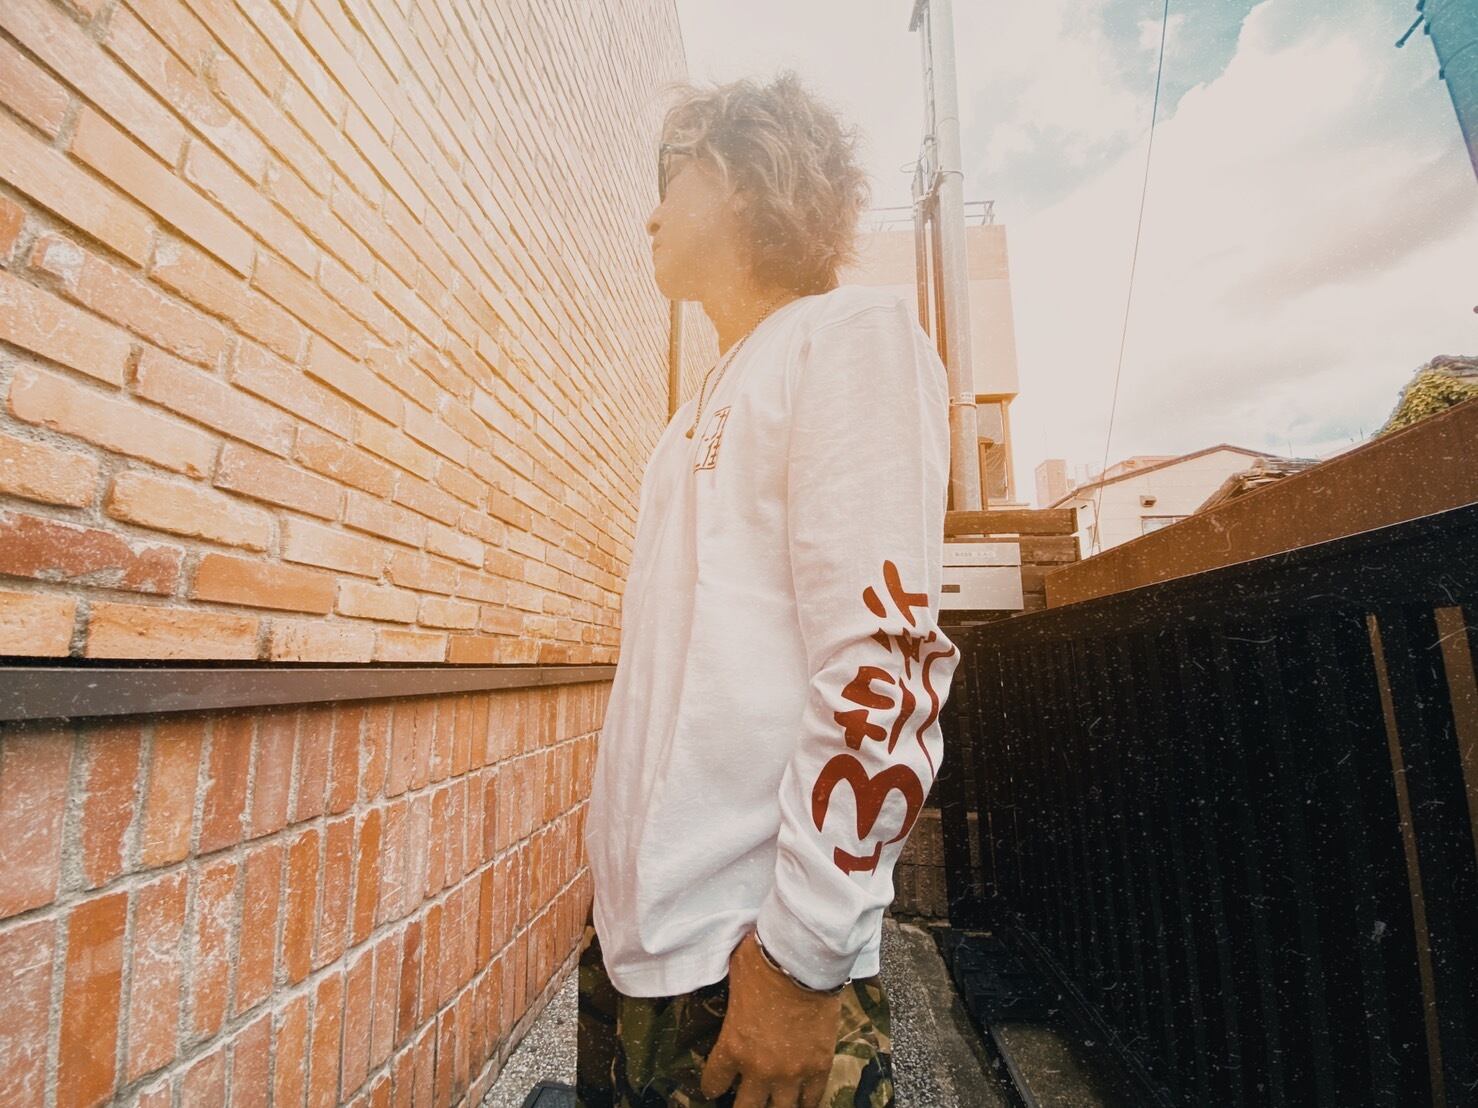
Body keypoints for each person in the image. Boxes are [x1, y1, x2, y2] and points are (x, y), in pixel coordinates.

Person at [577, 71, 959, 1108]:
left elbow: (884, 660)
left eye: (671, 177)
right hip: (639, 948)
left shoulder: (850, 338)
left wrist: (802, 958)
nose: (650, 213)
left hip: (751, 962)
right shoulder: (687, 416)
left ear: (746, 177)